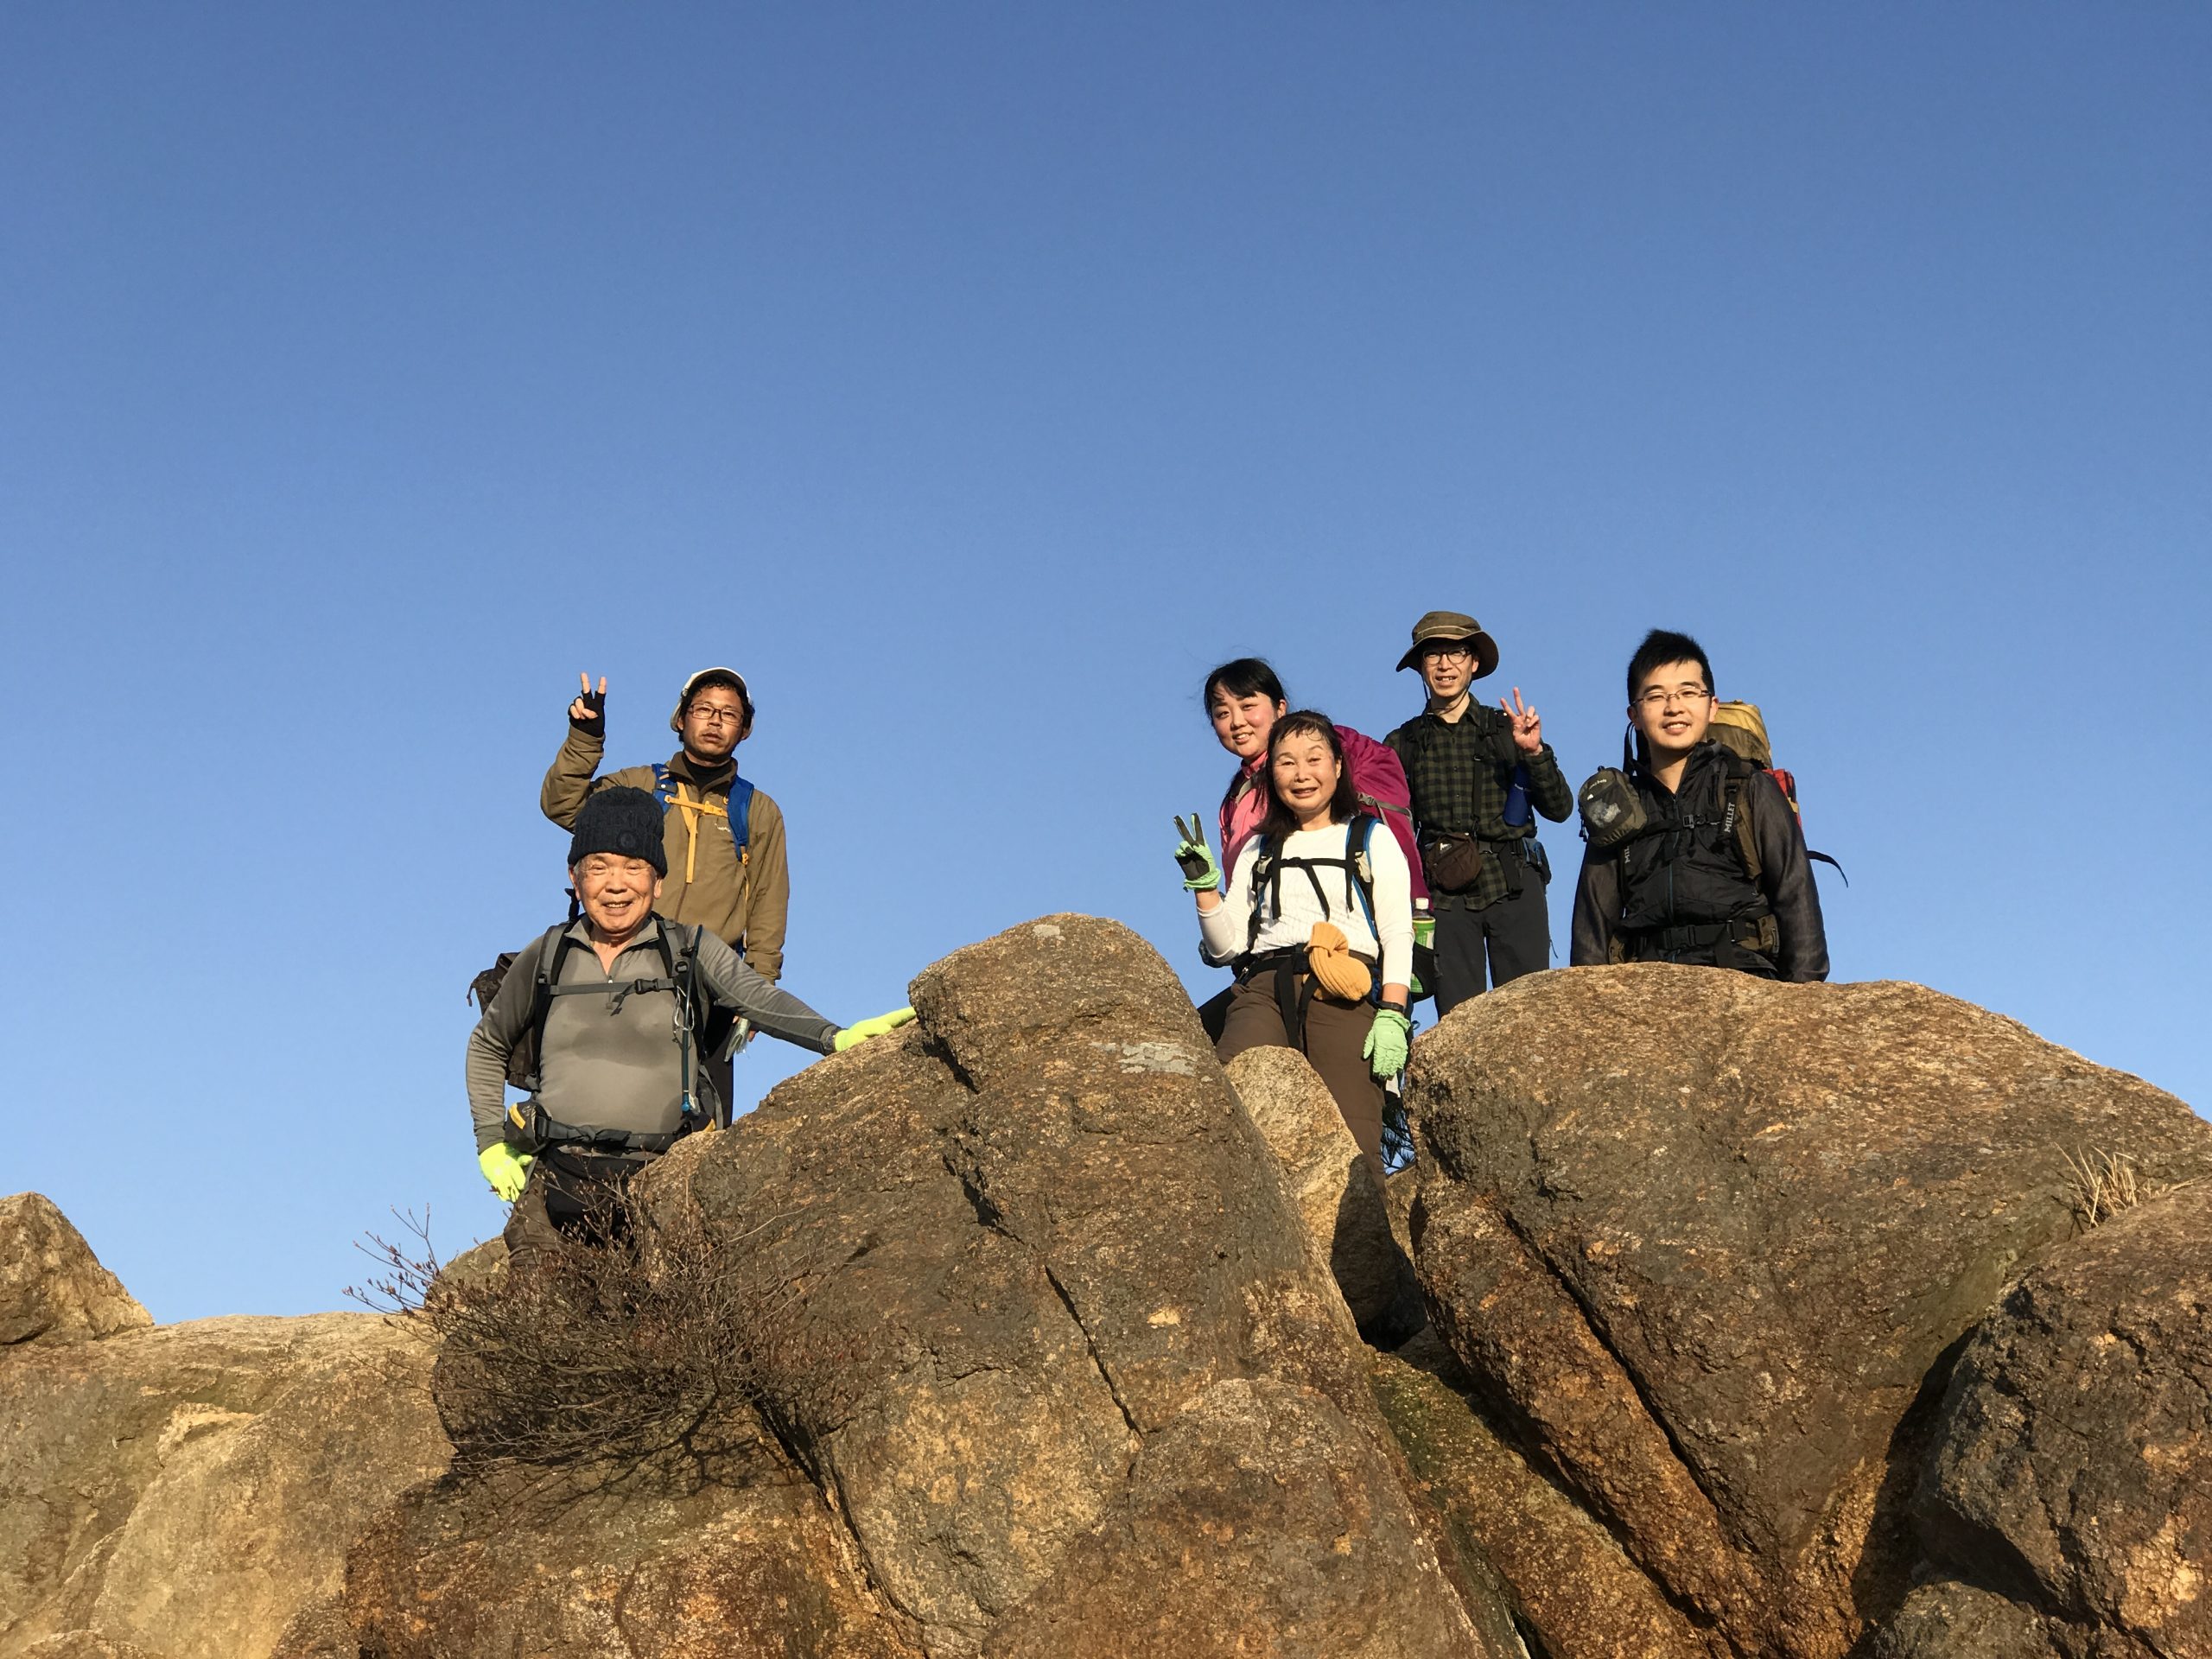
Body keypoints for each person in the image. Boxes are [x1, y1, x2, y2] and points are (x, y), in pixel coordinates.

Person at [470, 787, 912, 1262]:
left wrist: (835, 1037)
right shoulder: (548, 954)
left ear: (658, 881)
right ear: (575, 879)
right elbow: (488, 1043)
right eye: (598, 867)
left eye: (634, 867)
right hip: (554, 1189)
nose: (616, 885)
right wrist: (491, 1142)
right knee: (543, 1310)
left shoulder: (689, 948)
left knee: (664, 1310)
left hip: (662, 1184)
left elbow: (760, 999)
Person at [541, 666, 790, 1108]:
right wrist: (585, 739)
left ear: (745, 729)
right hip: (625, 969)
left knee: (704, 1121)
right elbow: (564, 806)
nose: (715, 721)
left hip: (711, 986)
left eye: (729, 714)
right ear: (680, 719)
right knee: (608, 1105)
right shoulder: (639, 787)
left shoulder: (758, 811)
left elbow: (768, 900)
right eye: (704, 709)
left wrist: (758, 987)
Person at [1184, 712, 1414, 1171]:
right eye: (1286, 762)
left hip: (1344, 988)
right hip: (1264, 990)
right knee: (1230, 1114)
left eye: (1314, 759)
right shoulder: (1259, 848)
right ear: (1272, 774)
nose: (1301, 774)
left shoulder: (1370, 837)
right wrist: (1206, 889)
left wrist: (1393, 1013)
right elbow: (1226, 948)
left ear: (1338, 767)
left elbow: (1396, 931)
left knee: (1356, 1143)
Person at [1569, 629, 1829, 981]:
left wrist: (1803, 997)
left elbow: (1795, 895)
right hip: (1644, 985)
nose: (1674, 707)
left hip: (1745, 975)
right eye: (1655, 696)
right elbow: (1592, 925)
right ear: (1634, 714)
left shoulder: (1749, 788)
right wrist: (1586, 999)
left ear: (1712, 707)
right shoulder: (1619, 808)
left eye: (1688, 692)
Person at [1383, 610, 1573, 1013]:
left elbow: (1560, 809)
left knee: (1529, 1014)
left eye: (1456, 652)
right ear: (1420, 666)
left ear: (1474, 662)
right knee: (1457, 1020)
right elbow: (1392, 834)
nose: (1445, 665)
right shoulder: (1401, 744)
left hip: (1513, 882)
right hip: (1444, 897)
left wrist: (1534, 752)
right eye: (1433, 654)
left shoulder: (1509, 729)